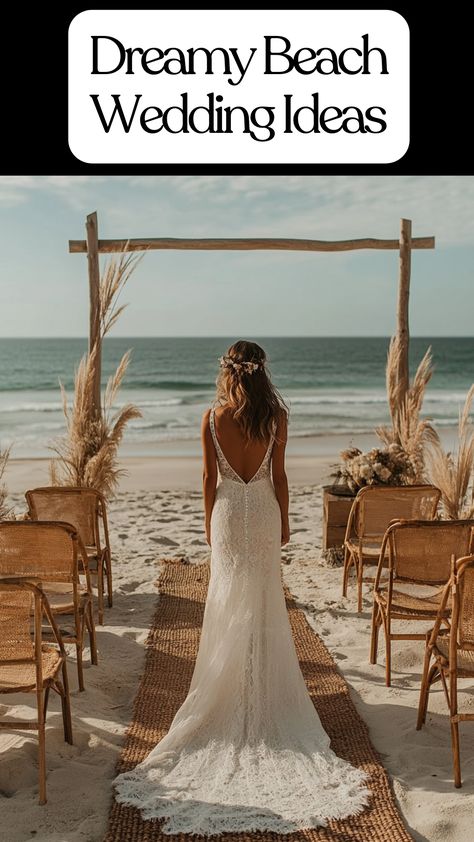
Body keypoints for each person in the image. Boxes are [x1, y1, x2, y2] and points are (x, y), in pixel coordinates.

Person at [114, 340, 370, 835]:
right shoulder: (276, 417)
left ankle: (226, 691)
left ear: (227, 371)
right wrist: (287, 521)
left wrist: (210, 524)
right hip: (264, 513)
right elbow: (279, 476)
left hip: (230, 514)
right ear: (261, 373)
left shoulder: (212, 418)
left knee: (228, 603)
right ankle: (265, 695)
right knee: (265, 604)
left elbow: (210, 477)